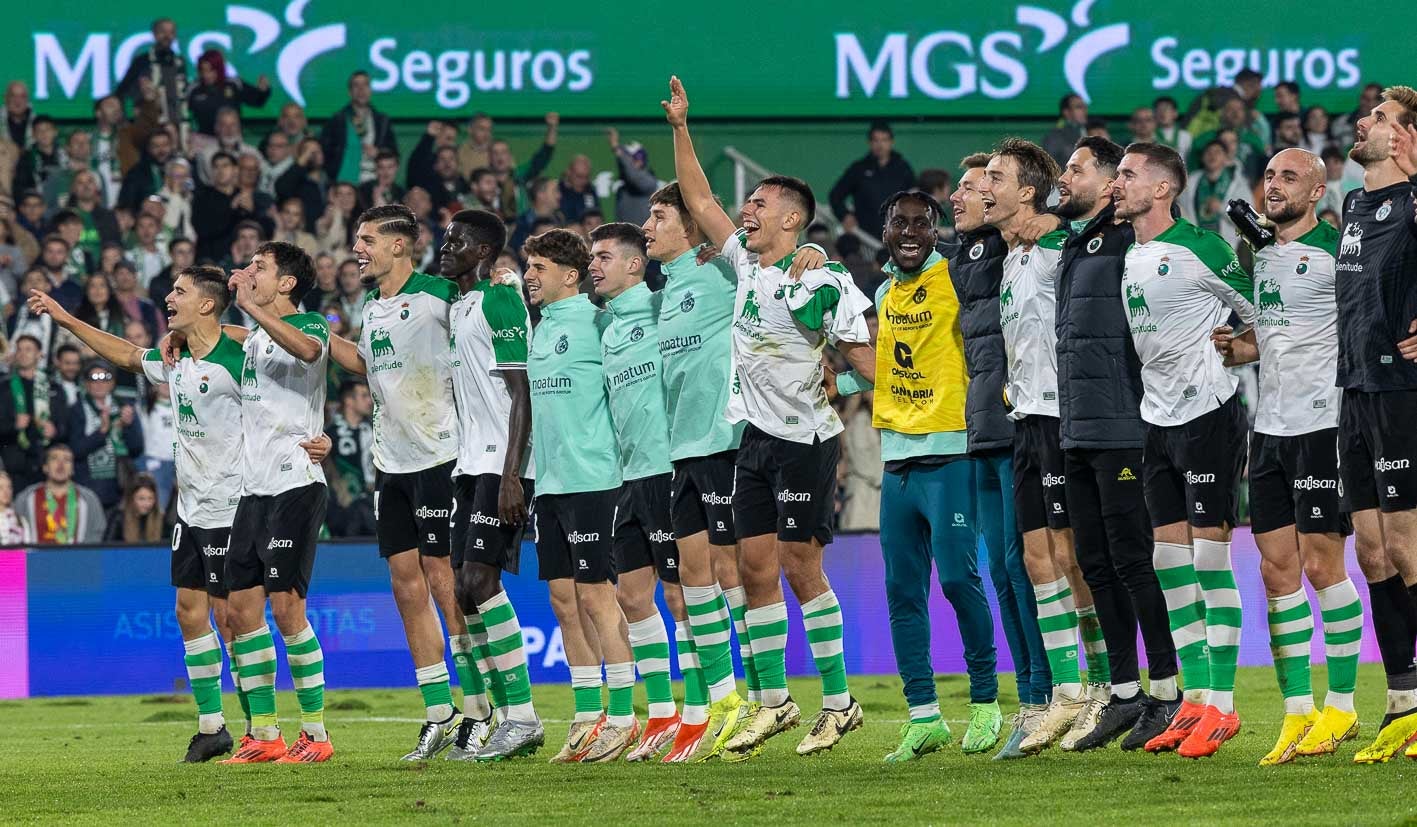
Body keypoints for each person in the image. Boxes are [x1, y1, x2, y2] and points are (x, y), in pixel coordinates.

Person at [665, 76, 875, 758]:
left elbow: (861, 360)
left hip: (807, 440)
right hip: (754, 438)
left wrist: (838, 372)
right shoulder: (746, 266)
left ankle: (840, 703)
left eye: (757, 203)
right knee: (752, 567)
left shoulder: (820, 279)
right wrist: (680, 127)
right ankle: (773, 702)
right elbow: (697, 198)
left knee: (797, 566)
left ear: (792, 219)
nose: (744, 210)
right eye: (747, 203)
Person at [642, 182, 819, 762]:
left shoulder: (722, 269)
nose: (648, 225)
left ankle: (767, 694)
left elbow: (769, 260)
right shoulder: (665, 289)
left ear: (691, 228)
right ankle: (724, 700)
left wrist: (808, 254)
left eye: (659, 215)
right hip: (682, 450)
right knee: (690, 578)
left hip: (726, 440)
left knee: (732, 569)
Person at [833, 189, 1003, 760]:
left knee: (958, 579)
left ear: (936, 232)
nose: (908, 233)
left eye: (920, 225)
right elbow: (891, 366)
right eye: (898, 223)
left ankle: (985, 703)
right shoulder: (886, 290)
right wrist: (844, 383)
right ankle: (924, 716)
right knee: (902, 591)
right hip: (898, 460)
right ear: (884, 230)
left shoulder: (957, 278)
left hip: (951, 453)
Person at [1209, 147, 1364, 766]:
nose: (1273, 186)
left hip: (1322, 426)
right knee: (1277, 573)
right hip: (1267, 430)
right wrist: (1241, 348)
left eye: (1289, 177)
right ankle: (1297, 712)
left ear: (1319, 191)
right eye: (1269, 175)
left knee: (1325, 567)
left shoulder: (1338, 249)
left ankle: (1344, 704)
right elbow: (1275, 335)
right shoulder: (1261, 253)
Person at [1114, 141, 1256, 758]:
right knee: (1169, 567)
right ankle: (1193, 702)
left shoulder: (1202, 248)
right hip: (1157, 419)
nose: (1118, 184)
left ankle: (1223, 708)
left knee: (1208, 563)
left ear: (1163, 188)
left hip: (1208, 415)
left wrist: (1241, 345)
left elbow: (1261, 310)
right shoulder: (1130, 249)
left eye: (1128, 175)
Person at [1050, 137, 1181, 751]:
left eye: (1077, 168)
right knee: (1096, 564)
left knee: (1133, 561)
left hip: (1126, 426)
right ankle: (1125, 694)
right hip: (1077, 426)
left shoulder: (1135, 241)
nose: (1065, 176)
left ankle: (1167, 691)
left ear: (1109, 183)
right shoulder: (1078, 243)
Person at [324, 205, 468, 760]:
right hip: (392, 463)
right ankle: (438, 711)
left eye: (366, 240)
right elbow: (368, 363)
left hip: (442, 455)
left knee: (444, 580)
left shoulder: (442, 293)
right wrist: (315, 336)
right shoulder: (373, 305)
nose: (357, 249)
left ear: (399, 246)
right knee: (406, 586)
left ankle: (481, 709)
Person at [978, 138, 1106, 754]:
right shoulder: (1013, 256)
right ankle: (1067, 693)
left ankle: (1106, 687)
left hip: (1067, 421)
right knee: (1035, 562)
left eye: (995, 178)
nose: (984, 188)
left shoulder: (1066, 248)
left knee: (1076, 558)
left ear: (1026, 191)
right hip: (1026, 420)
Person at [945, 155, 1050, 756]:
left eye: (979, 184)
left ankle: (1050, 690)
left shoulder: (1019, 244)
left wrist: (1045, 221)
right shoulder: (965, 256)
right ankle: (1033, 696)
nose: (964, 195)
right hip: (982, 428)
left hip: (1018, 426)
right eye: (963, 186)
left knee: (1024, 568)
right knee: (1005, 574)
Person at [520, 228, 634, 762]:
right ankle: (588, 716)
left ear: (570, 275)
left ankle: (626, 716)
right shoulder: (538, 329)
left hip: (596, 480)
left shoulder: (597, 322)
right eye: (527, 267)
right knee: (564, 602)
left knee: (596, 597)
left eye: (539, 268)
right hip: (552, 484)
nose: (529, 276)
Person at [220, 241, 334, 763]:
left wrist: (249, 308)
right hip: (253, 489)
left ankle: (316, 733)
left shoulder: (311, 325)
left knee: (287, 608)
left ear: (286, 283)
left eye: (259, 268)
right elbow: (228, 336)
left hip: (295, 483)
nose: (247, 273)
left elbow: (309, 352)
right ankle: (265, 734)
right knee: (243, 610)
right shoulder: (253, 339)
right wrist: (185, 335)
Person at [438, 209, 544, 761]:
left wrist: (511, 474)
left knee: (480, 582)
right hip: (469, 464)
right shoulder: (461, 304)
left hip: (500, 465)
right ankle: (499, 720)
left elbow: (521, 390)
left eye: (456, 240)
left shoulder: (501, 299)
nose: (445, 245)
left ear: (483, 252)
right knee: (461, 590)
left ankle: (523, 718)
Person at [1333, 86, 1417, 763]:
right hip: (1353, 388)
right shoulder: (1355, 204)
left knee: (1408, 545)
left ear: (1405, 139)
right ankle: (1402, 697)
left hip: (1400, 389)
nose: (1363, 122)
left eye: (1380, 118)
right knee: (1371, 550)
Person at [588, 222, 684, 760]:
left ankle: (700, 709)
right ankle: (663, 714)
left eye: (604, 257)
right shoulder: (603, 325)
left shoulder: (662, 309)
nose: (593, 266)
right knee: (630, 595)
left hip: (667, 469)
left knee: (680, 596)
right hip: (626, 476)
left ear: (634, 264)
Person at [67, 359, 143, 509]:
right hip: (88, 483)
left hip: (119, 484)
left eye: (105, 378)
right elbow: (75, 450)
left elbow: (137, 448)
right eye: (94, 379)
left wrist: (128, 427)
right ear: (86, 383)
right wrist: (102, 432)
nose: (100, 383)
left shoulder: (124, 407)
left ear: (113, 382)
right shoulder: (76, 410)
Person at [829, 122, 915, 239]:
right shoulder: (859, 168)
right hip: (865, 236)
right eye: (876, 140)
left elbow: (915, 198)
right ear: (869, 143)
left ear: (891, 142)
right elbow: (835, 195)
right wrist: (845, 215)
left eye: (884, 140)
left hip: (898, 235)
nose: (880, 145)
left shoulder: (903, 168)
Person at [0, 334, 63, 489]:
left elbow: (66, 425)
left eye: (28, 349)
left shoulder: (53, 387)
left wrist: (55, 432)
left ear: (40, 354)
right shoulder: (3, 387)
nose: (22, 353)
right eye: (19, 349)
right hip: (14, 463)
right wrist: (14, 425)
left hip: (45, 462)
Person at [14, 444, 104, 543]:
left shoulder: (88, 499)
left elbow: (96, 534)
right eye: (54, 459)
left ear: (72, 469)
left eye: (67, 460)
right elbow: (15, 538)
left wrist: (84, 557)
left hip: (77, 557)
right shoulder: (26, 498)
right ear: (45, 467)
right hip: (36, 558)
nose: (61, 464)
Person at [320, 71, 398, 185]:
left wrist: (379, 153)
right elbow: (325, 153)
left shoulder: (382, 121)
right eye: (356, 85)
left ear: (370, 90)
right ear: (350, 91)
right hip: (345, 183)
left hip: (375, 181)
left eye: (365, 85)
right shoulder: (337, 121)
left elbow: (394, 152)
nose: (361, 90)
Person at [323, 379, 375, 539]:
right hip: (343, 509)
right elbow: (325, 465)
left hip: (373, 503)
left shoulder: (373, 429)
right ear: (349, 401)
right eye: (364, 396)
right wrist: (338, 487)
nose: (370, 401)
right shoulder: (330, 433)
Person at [115, 18, 189, 131]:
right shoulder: (142, 61)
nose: (167, 36)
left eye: (171, 32)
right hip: (150, 126)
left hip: (177, 125)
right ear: (154, 34)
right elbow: (121, 92)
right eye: (163, 31)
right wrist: (124, 121)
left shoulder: (179, 62)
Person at [186, 50, 271, 137]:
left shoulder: (234, 84)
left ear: (219, 69)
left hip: (233, 138)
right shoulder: (193, 89)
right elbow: (181, 112)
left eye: (210, 70)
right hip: (205, 140)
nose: (206, 75)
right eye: (202, 70)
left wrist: (263, 91)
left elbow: (258, 101)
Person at [609, 129, 657, 228]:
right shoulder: (623, 189)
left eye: (628, 158)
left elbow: (633, 175)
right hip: (626, 239)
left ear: (639, 161)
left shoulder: (648, 182)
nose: (625, 162)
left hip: (643, 239)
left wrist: (617, 148)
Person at [104, 473, 164, 542]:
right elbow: (107, 547)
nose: (147, 504)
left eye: (150, 498)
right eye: (141, 499)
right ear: (131, 498)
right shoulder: (118, 518)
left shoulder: (160, 518)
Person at [1043, 95, 1088, 166]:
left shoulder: (1090, 131)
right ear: (1066, 112)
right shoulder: (1055, 136)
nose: (1084, 110)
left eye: (1085, 107)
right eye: (1079, 107)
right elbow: (1048, 165)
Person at [0, 470, 28, 544]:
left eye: (9, 487)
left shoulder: (21, 520)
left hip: (17, 555)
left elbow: (29, 549)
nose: (6, 491)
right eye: (1, 488)